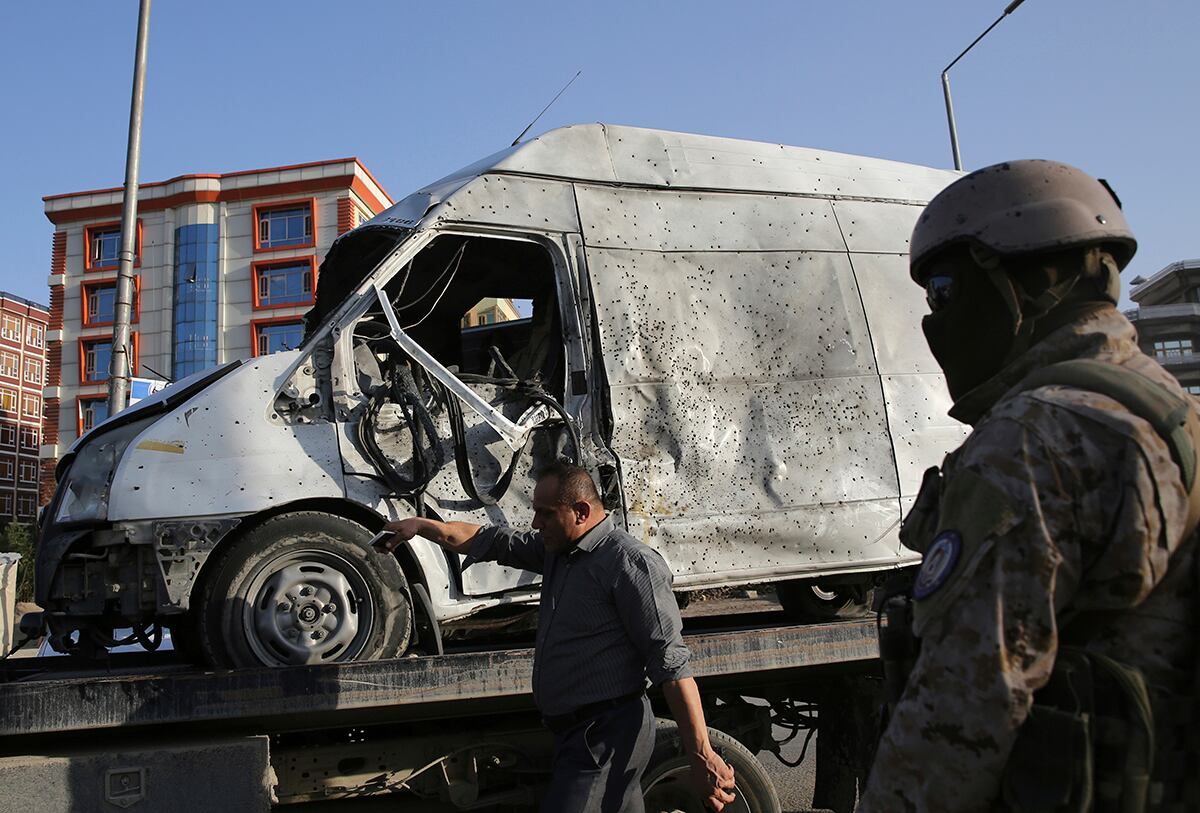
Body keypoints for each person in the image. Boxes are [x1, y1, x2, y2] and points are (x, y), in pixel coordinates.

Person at [858, 160, 1198, 811]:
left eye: (945, 291)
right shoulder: (1171, 413)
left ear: (1021, 283)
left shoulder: (1033, 438)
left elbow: (959, 714)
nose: (934, 322)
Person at [379, 463, 737, 812]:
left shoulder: (630, 564)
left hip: (606, 735)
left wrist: (700, 754)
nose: (536, 523)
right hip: (576, 732)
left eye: (546, 514)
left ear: (581, 511)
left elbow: (672, 666)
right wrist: (422, 526)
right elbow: (491, 541)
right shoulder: (559, 552)